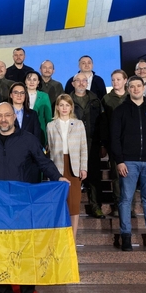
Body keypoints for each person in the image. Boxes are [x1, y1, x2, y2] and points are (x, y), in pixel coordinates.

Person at [0, 102, 69, 293]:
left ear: (14, 116)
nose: (3, 119)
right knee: (1, 253)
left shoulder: (28, 139)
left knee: (26, 252)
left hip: (25, 205)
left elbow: (43, 162)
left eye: (7, 115)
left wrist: (58, 178)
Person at [110, 76, 146, 252]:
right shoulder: (120, 111)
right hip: (128, 161)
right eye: (132, 86)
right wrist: (119, 161)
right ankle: (126, 236)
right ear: (128, 89)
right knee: (125, 199)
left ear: (143, 87)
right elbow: (115, 138)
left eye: (139, 86)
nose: (136, 89)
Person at [45, 94, 88, 240]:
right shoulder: (51, 125)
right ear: (57, 107)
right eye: (61, 105)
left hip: (74, 166)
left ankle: (72, 240)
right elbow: (49, 149)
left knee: (74, 205)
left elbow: (83, 147)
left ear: (71, 107)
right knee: (59, 204)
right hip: (57, 167)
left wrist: (84, 167)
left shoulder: (78, 124)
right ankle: (60, 239)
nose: (64, 108)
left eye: (67, 105)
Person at [70, 73, 105, 219]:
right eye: (78, 80)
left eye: (84, 80)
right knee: (74, 175)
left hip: (93, 142)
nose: (81, 83)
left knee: (95, 175)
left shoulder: (95, 99)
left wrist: (103, 143)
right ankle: (72, 207)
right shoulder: (67, 100)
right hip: (72, 143)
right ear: (73, 83)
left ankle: (96, 206)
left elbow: (102, 122)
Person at [101, 70, 133, 219]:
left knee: (131, 176)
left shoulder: (132, 97)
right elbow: (104, 124)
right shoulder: (107, 99)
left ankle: (130, 206)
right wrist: (105, 144)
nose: (115, 82)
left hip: (131, 144)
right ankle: (118, 206)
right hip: (115, 143)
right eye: (113, 80)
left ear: (125, 80)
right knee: (116, 175)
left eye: (118, 79)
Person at [7, 82, 45, 148]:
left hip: (29, 152)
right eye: (16, 92)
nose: (19, 95)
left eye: (22, 93)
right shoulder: (5, 114)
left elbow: (37, 136)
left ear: (25, 95)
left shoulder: (33, 114)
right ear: (11, 95)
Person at [24, 71, 52, 136]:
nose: (32, 82)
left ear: (38, 82)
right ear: (25, 81)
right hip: (23, 131)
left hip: (40, 130)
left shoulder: (44, 96)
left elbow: (48, 117)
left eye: (34, 80)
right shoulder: (20, 95)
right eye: (29, 79)